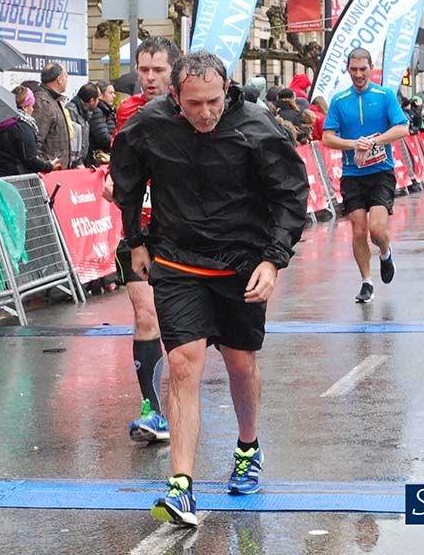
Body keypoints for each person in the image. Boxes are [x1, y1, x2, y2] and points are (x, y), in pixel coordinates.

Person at [112, 52, 308, 527]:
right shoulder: (148, 124)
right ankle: (180, 486)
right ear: (175, 96)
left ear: (228, 90)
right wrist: (135, 239)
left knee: (240, 365)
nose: (205, 112)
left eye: (214, 101)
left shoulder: (258, 126)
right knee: (182, 365)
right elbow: (127, 179)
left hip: (242, 262)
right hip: (177, 260)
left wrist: (273, 259)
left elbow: (291, 194)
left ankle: (247, 446)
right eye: (194, 103)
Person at [105, 36, 181, 443]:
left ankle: (183, 398)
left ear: (174, 70)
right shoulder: (127, 110)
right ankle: (153, 411)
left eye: (159, 70)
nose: (150, 78)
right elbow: (122, 165)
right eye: (144, 70)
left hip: (182, 233)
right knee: (145, 315)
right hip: (138, 232)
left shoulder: (189, 109)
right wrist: (113, 182)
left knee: (181, 327)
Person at [322, 48, 409, 304]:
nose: (358, 74)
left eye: (363, 69)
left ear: (371, 68)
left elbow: (402, 128)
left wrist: (373, 143)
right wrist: (354, 144)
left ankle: (385, 251)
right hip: (352, 174)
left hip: (381, 171)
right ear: (348, 69)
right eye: (354, 69)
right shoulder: (339, 100)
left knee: (376, 229)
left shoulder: (385, 96)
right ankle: (366, 282)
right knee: (359, 230)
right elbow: (327, 138)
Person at [0, 85, 60, 177]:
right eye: (32, 106)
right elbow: (30, 159)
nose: (33, 109)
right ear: (25, 107)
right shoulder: (23, 128)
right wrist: (48, 166)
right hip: (18, 178)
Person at [32, 63, 73, 167]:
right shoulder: (43, 102)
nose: (67, 81)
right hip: (50, 173)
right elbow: (36, 141)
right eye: (66, 77)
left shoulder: (54, 100)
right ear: (59, 79)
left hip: (59, 170)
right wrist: (46, 166)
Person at [69, 82, 111, 165]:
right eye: (98, 99)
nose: (99, 102)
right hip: (75, 163)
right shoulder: (72, 111)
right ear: (92, 101)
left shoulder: (86, 112)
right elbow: (73, 141)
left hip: (84, 160)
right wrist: (78, 162)